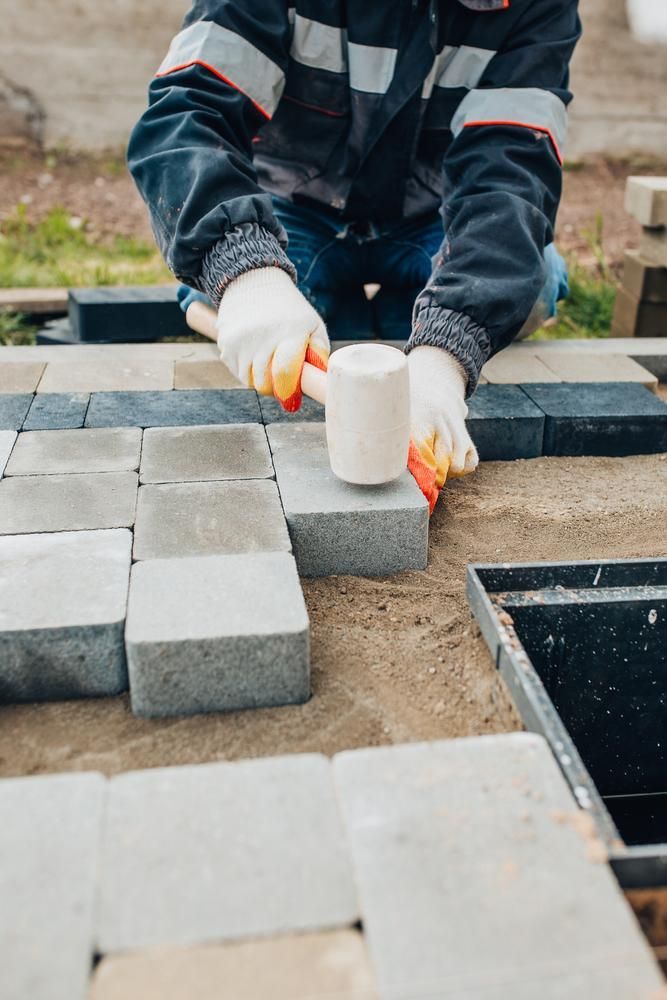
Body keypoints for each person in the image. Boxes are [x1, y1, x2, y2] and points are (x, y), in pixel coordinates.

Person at [128, 0, 580, 511]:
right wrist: (244, 272)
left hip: (432, 218)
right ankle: (333, 309)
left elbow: (508, 175)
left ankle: (398, 326)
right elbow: (189, 112)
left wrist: (445, 357)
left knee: (533, 281)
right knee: (222, 301)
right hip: (296, 206)